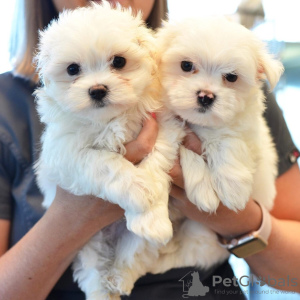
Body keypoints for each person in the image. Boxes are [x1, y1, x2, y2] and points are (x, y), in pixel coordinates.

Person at [0, 0, 299, 299]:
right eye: (187, 68)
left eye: (118, 62)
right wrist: (75, 215)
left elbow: (294, 275)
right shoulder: (8, 106)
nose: (206, 88)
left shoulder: (238, 89)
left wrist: (237, 221)